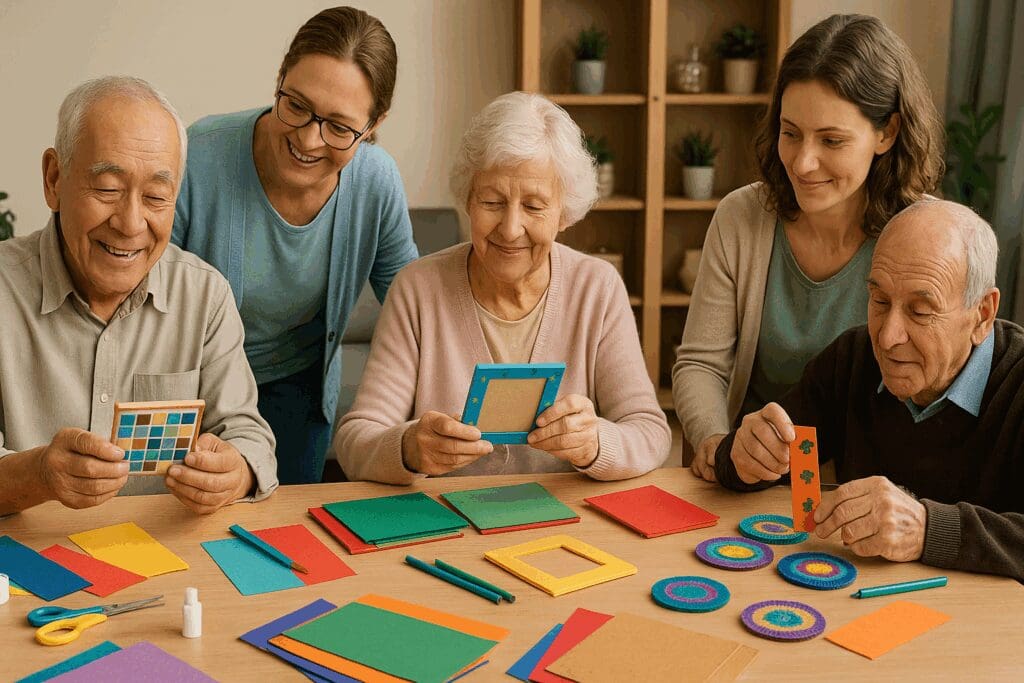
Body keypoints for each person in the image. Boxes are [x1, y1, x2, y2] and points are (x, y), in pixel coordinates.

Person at [335, 92, 671, 483]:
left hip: (569, 523)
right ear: (468, 200)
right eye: (493, 202)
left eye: (533, 206)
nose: (510, 229)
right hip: (447, 527)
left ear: (564, 212)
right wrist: (410, 448)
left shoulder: (597, 288)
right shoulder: (418, 290)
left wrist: (596, 442)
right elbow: (355, 441)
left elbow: (651, 432)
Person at [673, 14, 944, 482]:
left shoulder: (927, 236)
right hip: (747, 480)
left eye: (832, 140)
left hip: (869, 488)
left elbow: (939, 390)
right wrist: (718, 445)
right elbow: (700, 363)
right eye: (791, 132)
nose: (803, 161)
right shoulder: (742, 217)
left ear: (888, 133)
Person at [0, 77, 277, 516]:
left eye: (155, 196)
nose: (130, 224)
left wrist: (235, 470)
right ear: (54, 179)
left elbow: (247, 434)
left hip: (167, 560)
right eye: (107, 189)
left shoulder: (204, 297)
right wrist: (37, 475)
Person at [715, 200, 1024, 581]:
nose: (888, 337)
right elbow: (762, 460)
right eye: (879, 300)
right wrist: (744, 456)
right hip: (856, 609)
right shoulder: (853, 357)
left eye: (920, 311)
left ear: (982, 315)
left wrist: (929, 529)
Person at [173, 6, 418, 484]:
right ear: (280, 76)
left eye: (339, 126)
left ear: (373, 125)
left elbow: (414, 305)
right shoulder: (200, 155)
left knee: (287, 542)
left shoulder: (376, 181)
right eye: (297, 105)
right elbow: (147, 297)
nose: (308, 138)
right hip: (194, 387)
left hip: (297, 390)